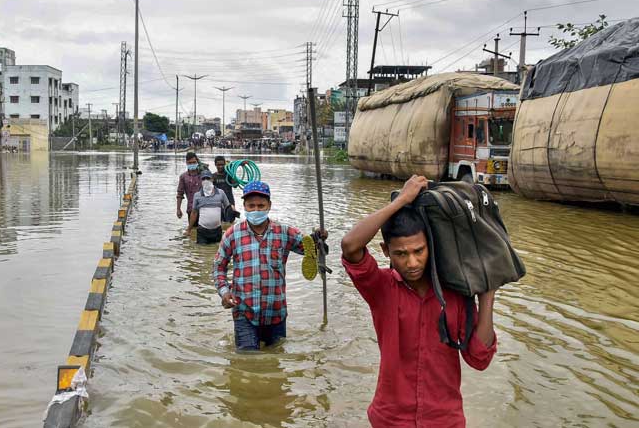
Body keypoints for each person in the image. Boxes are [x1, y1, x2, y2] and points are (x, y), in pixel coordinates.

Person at [340, 175, 497, 428]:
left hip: (444, 420)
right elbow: (350, 245)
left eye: (418, 251)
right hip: (391, 419)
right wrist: (401, 200)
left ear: (430, 247)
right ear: (385, 251)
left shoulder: (456, 295)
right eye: (401, 254)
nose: (412, 263)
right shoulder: (381, 288)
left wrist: (487, 295)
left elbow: (479, 359)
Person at [213, 181, 327, 351]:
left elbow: (310, 250)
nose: (256, 210)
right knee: (247, 362)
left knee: (276, 360)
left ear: (269, 206)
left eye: (261, 205)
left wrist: (318, 239)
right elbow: (218, 267)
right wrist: (224, 291)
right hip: (245, 312)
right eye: (251, 206)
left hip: (276, 312)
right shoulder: (232, 234)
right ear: (244, 206)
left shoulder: (284, 232)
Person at [186, 170, 233, 244]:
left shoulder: (221, 193)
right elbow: (194, 213)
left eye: (208, 178)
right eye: (203, 179)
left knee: (216, 251)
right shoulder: (197, 195)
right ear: (200, 181)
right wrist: (189, 230)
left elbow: (228, 208)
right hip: (202, 231)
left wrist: (230, 227)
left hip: (217, 231)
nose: (206, 181)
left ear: (212, 179)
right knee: (202, 252)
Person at [176, 152, 203, 219]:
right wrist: (178, 209)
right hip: (191, 209)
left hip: (204, 209)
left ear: (197, 162)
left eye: (194, 162)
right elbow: (180, 194)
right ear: (186, 163)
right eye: (190, 163)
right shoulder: (183, 177)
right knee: (192, 229)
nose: (192, 164)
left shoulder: (203, 175)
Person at [213, 156, 238, 223]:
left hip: (230, 202)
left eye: (222, 164)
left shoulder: (229, 175)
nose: (221, 166)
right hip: (218, 202)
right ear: (215, 165)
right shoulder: (213, 177)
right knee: (219, 222)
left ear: (225, 164)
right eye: (218, 165)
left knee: (230, 222)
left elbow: (235, 185)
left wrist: (231, 172)